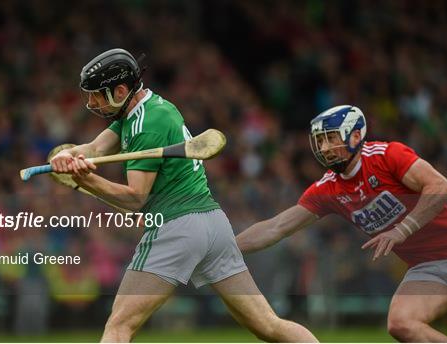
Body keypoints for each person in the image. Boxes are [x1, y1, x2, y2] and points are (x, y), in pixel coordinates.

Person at [49, 48, 317, 343]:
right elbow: (97, 148)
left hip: (176, 226)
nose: (91, 103)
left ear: (120, 90)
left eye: (96, 95)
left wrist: (83, 181)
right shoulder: (148, 108)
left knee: (119, 326)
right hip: (214, 226)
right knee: (269, 325)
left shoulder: (144, 126)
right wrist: (69, 154)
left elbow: (135, 199)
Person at [236, 105, 447, 342]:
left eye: (331, 138)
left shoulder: (387, 155)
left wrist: (402, 229)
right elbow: (275, 227)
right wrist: (225, 248)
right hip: (429, 268)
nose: (325, 148)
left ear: (356, 135)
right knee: (402, 324)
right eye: (320, 141)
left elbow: (440, 187)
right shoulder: (328, 189)